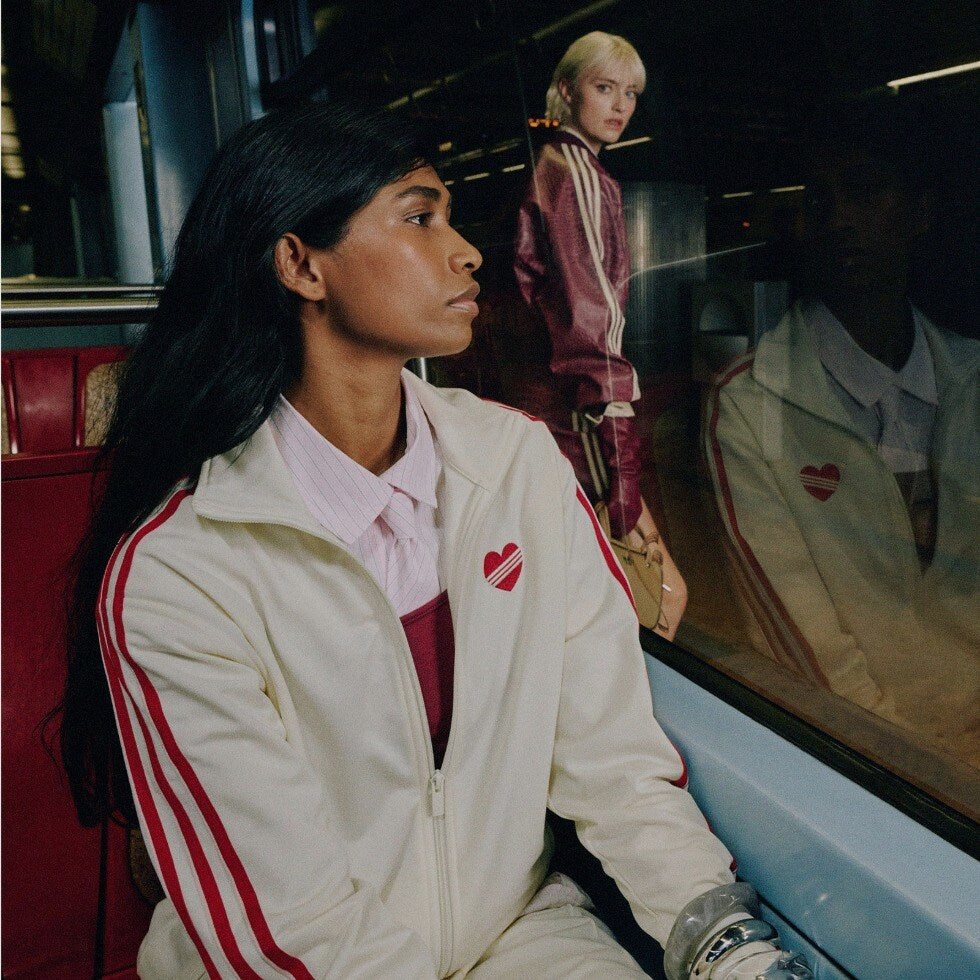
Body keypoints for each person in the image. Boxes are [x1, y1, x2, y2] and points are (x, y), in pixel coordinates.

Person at [58, 100, 810, 978]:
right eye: (419, 218)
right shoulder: (181, 573)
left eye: (451, 217)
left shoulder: (515, 465)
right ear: (300, 264)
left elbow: (612, 759)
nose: (466, 252)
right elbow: (291, 930)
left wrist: (722, 944)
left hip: (515, 930)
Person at [704, 106, 980, 765]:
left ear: (919, 212)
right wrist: (931, 773)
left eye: (864, 190)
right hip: (884, 766)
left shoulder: (971, 377)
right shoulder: (751, 403)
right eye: (819, 200)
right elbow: (809, 654)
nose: (839, 219)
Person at [513, 31, 687, 638]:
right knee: (657, 601)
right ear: (567, 91)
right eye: (604, 88)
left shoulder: (553, 168)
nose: (620, 106)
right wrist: (617, 432)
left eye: (631, 93)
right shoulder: (577, 174)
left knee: (592, 598)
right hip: (580, 412)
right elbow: (591, 309)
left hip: (553, 403)